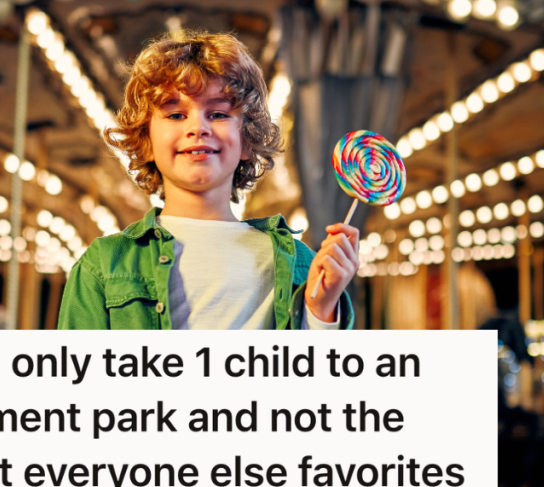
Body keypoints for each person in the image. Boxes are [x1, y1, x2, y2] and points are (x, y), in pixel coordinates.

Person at [58, 30, 359, 330]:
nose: (197, 128)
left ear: (247, 140)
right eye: (175, 115)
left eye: (217, 114)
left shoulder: (301, 264)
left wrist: (321, 311)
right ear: (146, 139)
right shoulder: (104, 265)